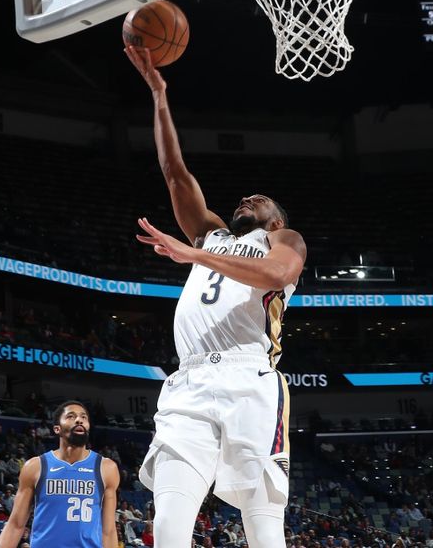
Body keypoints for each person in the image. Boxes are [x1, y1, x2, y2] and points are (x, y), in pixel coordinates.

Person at [125, 46, 307, 548]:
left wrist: (193, 257)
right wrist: (159, 96)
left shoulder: (282, 239)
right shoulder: (211, 235)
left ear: (276, 218)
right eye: (244, 197)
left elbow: (275, 274)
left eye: (260, 199)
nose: (247, 197)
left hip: (249, 376)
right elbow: (175, 172)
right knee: (168, 521)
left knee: (262, 517)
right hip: (189, 379)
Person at [0, 401, 120, 548]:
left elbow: (109, 531)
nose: (79, 420)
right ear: (57, 429)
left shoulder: (106, 468)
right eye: (71, 416)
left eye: (83, 417)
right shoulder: (35, 467)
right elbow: (16, 524)